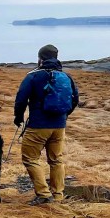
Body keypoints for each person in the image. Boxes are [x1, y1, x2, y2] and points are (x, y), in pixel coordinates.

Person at [13, 44, 79, 205]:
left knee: (30, 158)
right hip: (59, 126)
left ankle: (43, 194)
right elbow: (75, 99)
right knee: (56, 160)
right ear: (56, 57)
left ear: (40, 58)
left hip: (38, 126)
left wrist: (18, 118)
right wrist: (63, 116)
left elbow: (21, 99)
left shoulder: (33, 76)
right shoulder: (66, 77)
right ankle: (57, 195)